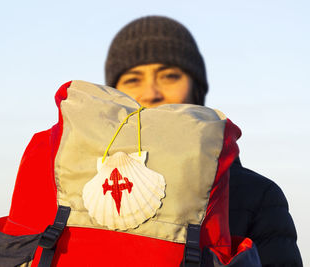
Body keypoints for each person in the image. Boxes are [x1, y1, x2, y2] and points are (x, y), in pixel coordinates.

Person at [104, 15, 302, 266]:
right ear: (113, 93)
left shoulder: (256, 196)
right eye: (133, 79)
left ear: (196, 88)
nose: (150, 93)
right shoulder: (78, 191)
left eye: (169, 76)